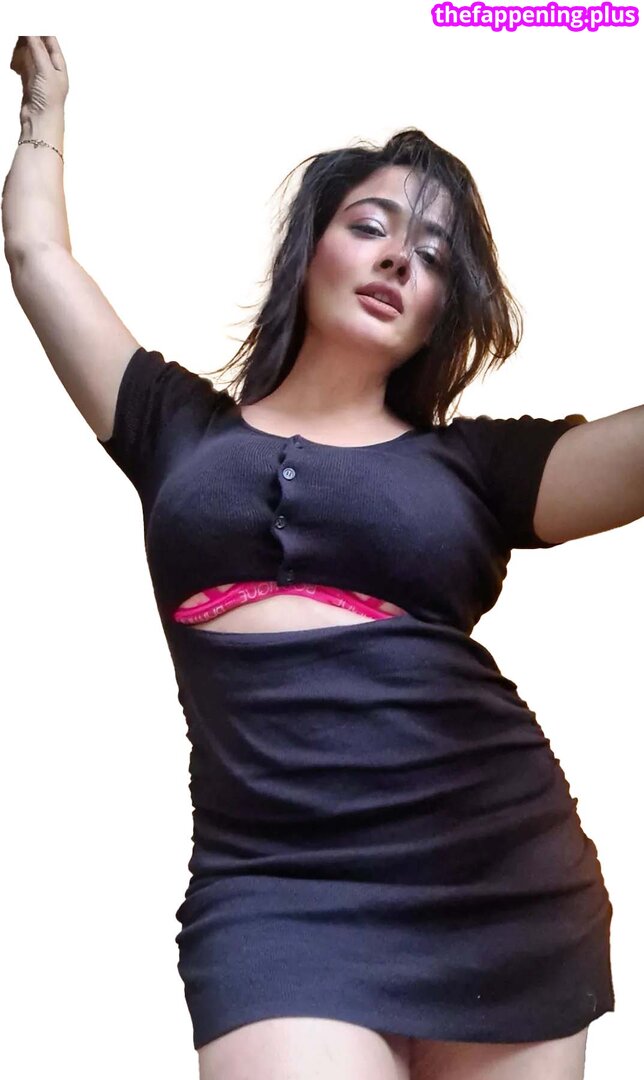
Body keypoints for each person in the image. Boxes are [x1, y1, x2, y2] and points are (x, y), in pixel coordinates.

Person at [9, 34, 639, 1080]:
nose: (400, 259)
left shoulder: (478, 467)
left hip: (494, 873)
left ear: (442, 311)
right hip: (273, 885)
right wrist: (45, 111)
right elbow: (38, 259)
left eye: (433, 256)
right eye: (372, 226)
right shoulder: (172, 425)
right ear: (311, 251)